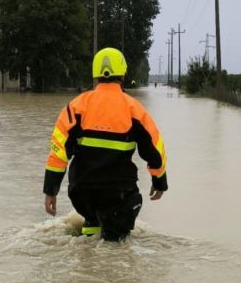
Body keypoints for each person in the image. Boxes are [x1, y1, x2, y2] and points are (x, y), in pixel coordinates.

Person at [43, 47, 168, 241]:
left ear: (95, 74)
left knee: (91, 223)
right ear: (123, 73)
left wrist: (50, 190)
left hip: (81, 191)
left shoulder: (76, 106)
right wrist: (159, 181)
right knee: (115, 242)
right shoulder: (134, 109)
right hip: (118, 191)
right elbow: (154, 150)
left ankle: (87, 254)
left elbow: (58, 152)